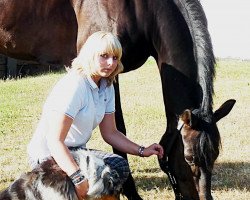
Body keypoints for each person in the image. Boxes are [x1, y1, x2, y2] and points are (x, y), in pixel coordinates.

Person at [27, 31, 164, 200]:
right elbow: (55, 141)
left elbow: (110, 133)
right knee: (76, 185)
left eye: (115, 57)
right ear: (90, 55)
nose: (110, 63)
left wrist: (142, 150)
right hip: (49, 154)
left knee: (118, 165)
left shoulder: (107, 85)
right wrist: (77, 177)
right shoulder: (75, 84)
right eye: (104, 56)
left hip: (77, 151)